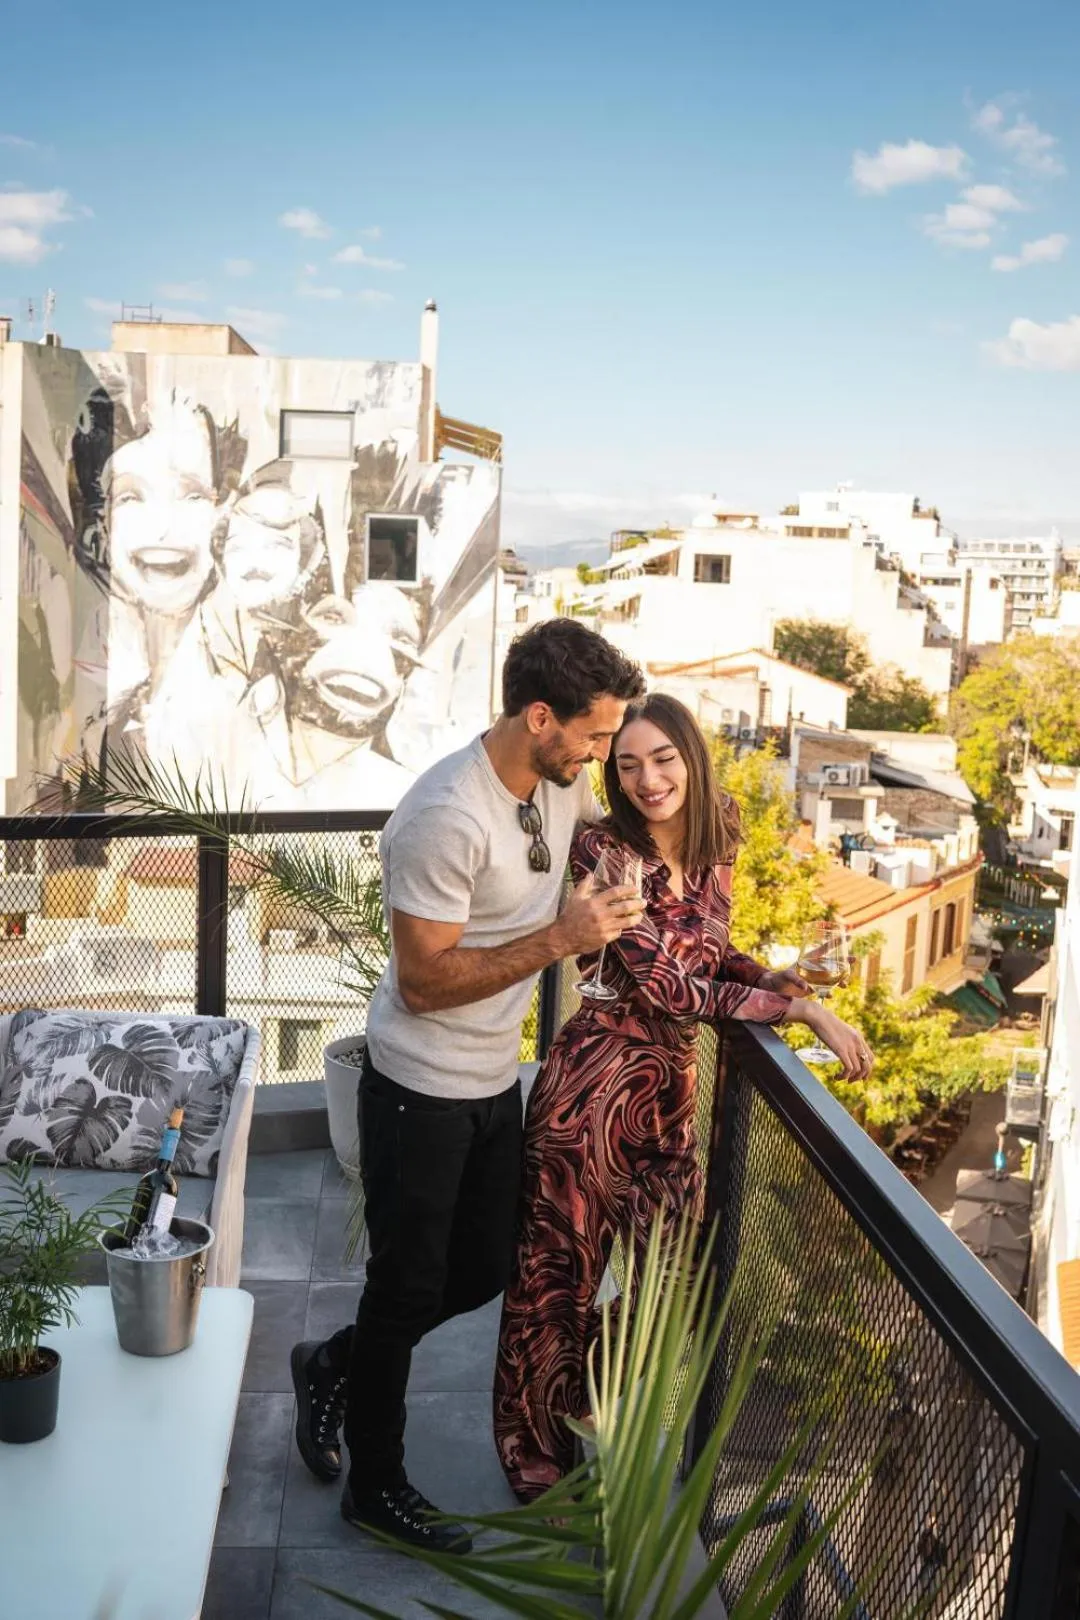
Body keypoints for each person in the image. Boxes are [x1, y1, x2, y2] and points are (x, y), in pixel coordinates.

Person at [289, 619, 647, 1550]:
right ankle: (377, 1485)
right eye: (597, 736)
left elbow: (618, 833)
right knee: (404, 1291)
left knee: (485, 1265)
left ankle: (332, 1362)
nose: (604, 753)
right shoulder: (446, 814)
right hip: (418, 1089)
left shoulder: (552, 783)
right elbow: (424, 980)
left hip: (494, 1083)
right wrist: (562, 939)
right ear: (541, 717)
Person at [493, 692, 875, 1501]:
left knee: (683, 1280)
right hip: (590, 1093)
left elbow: (710, 952)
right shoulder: (604, 851)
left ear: (690, 758)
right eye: (627, 763)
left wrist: (778, 981)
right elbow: (667, 986)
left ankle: (577, 1400)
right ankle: (535, 1467)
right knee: (555, 1283)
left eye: (662, 758)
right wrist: (796, 1010)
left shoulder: (719, 830)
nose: (647, 778)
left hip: (668, 1098)